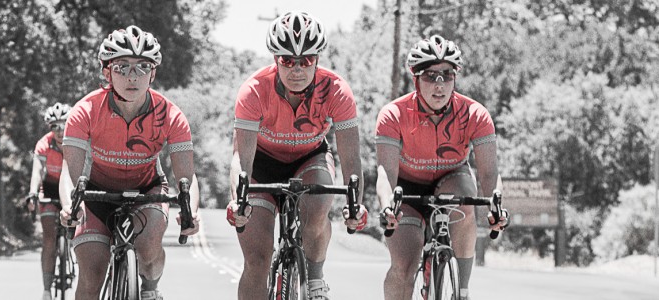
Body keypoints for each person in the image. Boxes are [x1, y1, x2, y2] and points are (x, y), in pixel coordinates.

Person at [225, 12, 365, 300]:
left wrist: (355, 207)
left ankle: (315, 280)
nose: (297, 69)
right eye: (287, 60)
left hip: (309, 159)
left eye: (306, 61)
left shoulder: (337, 91)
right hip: (260, 165)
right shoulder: (253, 90)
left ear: (317, 60)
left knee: (317, 207)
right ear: (276, 59)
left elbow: (352, 161)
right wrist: (237, 201)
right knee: (257, 263)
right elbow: (241, 158)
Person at [58, 25, 201, 300]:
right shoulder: (85, 111)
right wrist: (68, 206)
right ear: (106, 72)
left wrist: (190, 210)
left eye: (142, 67)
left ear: (153, 74)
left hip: (147, 190)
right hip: (97, 194)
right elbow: (70, 171)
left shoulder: (171, 115)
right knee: (91, 274)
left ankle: (150, 289)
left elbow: (187, 178)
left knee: (148, 249)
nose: (132, 76)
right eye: (122, 67)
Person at [374, 35, 509, 300]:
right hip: (407, 190)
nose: (439, 84)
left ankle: (462, 291)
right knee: (403, 267)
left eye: (447, 75)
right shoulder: (393, 114)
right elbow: (385, 173)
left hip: (451, 179)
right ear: (415, 78)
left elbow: (490, 173)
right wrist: (387, 205)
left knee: (465, 199)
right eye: (430, 75)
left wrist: (497, 206)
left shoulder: (475, 114)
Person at [25, 102, 71, 300]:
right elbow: (37, 172)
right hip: (50, 188)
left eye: (64, 125)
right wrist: (32, 193)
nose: (60, 131)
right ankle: (46, 288)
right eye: (55, 127)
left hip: (71, 188)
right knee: (49, 238)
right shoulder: (44, 144)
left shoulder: (76, 141)